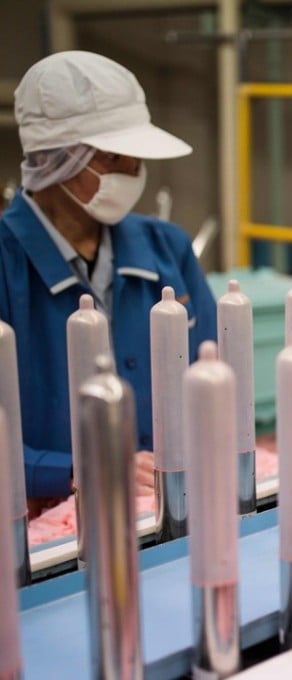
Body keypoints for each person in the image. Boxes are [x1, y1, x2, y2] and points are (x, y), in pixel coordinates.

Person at [0, 51, 217, 508]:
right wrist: (71, 473)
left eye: (135, 158)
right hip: (42, 528)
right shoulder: (7, 268)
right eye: (113, 158)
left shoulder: (166, 248)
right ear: (54, 160)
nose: (132, 173)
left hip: (171, 506)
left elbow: (216, 377)